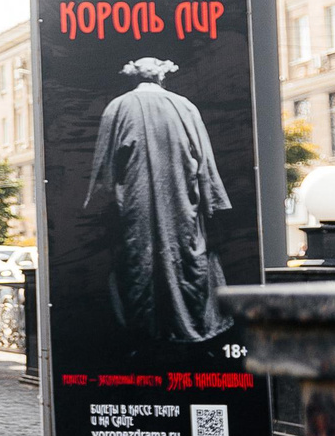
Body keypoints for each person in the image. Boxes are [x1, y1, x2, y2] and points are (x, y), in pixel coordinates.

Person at [84, 56, 234, 345]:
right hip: (182, 206)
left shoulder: (116, 108)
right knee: (185, 259)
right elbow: (205, 163)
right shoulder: (185, 107)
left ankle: (141, 337)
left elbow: (104, 169)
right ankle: (186, 329)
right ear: (162, 77)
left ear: (133, 78)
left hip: (134, 209)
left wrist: (101, 210)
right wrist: (213, 205)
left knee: (137, 263)